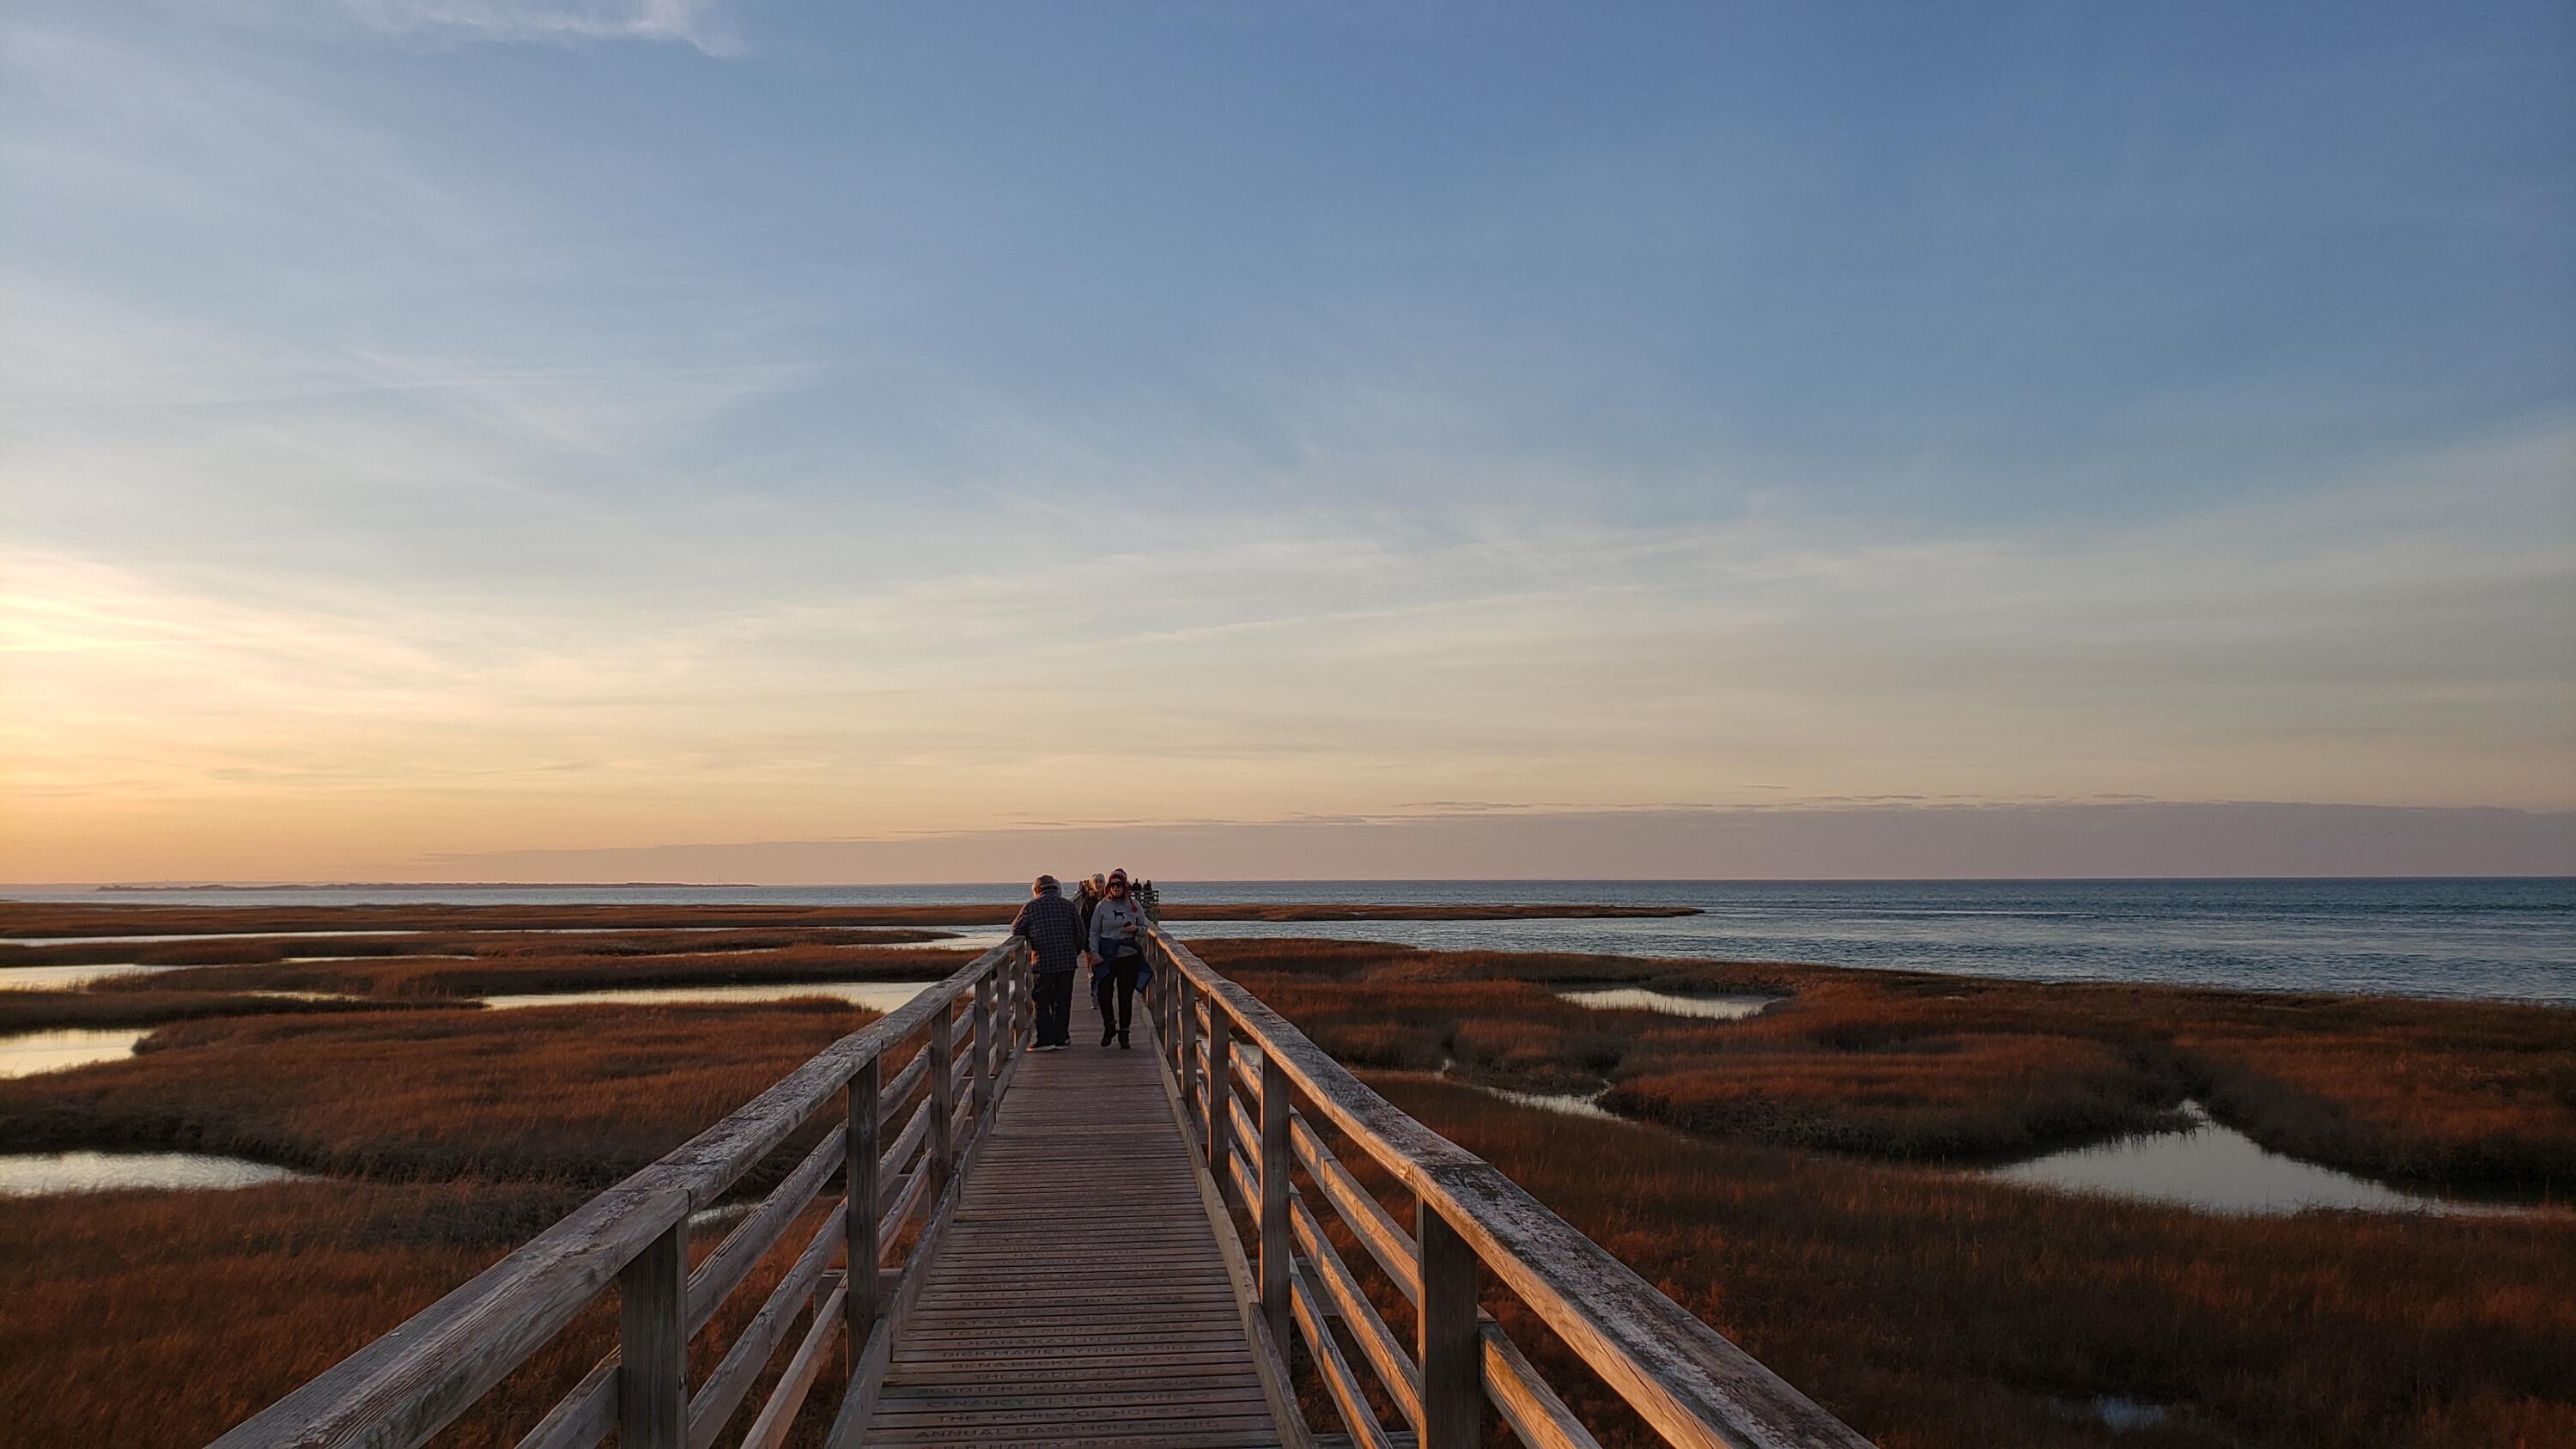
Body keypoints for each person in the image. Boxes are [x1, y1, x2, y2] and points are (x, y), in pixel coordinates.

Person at [1007, 874, 1084, 1051]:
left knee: (1041, 999)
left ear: (1036, 890)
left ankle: (1045, 1039)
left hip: (1043, 961)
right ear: (1055, 888)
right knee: (1063, 999)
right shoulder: (1068, 905)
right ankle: (1061, 1038)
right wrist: (1075, 951)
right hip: (1067, 960)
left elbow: (1016, 930)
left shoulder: (1031, 907)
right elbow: (1081, 932)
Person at [1085, 868, 1154, 1048]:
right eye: (1113, 885)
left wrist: (1135, 929)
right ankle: (1109, 1026)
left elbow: (1145, 929)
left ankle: (1124, 1032)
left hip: (1128, 956)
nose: (1116, 888)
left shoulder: (1134, 906)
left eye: (1119, 885)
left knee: (1125, 995)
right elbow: (1094, 931)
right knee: (1103, 993)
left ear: (1125, 887)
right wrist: (1094, 953)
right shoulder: (1102, 906)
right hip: (1106, 956)